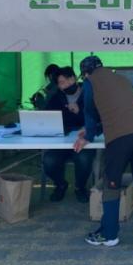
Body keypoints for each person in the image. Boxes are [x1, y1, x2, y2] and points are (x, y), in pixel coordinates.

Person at [74, 56, 133, 250]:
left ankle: (109, 234)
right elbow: (118, 110)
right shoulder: (121, 78)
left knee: (111, 184)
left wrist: (89, 135)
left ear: (86, 73)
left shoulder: (90, 82)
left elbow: (89, 111)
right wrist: (96, 130)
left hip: (120, 138)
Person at [42, 66, 95, 203]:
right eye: (61, 83)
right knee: (49, 160)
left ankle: (80, 187)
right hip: (61, 140)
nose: (66, 84)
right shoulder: (56, 98)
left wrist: (79, 112)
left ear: (74, 78)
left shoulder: (89, 93)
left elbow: (97, 119)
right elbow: (45, 117)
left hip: (84, 139)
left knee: (84, 158)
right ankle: (61, 184)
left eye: (68, 80)